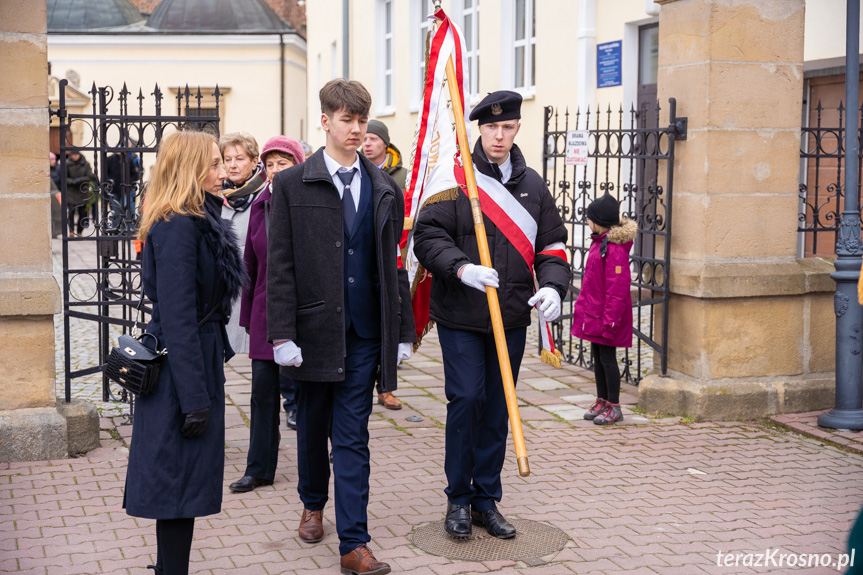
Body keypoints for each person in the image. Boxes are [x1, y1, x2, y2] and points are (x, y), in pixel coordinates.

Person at [267, 78, 415, 575]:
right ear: (325, 121)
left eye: (360, 120)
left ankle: (354, 542)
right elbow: (280, 266)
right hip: (311, 333)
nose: (354, 129)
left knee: (352, 437)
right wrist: (281, 334)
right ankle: (312, 502)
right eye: (345, 120)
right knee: (311, 429)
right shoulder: (291, 185)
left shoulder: (384, 187)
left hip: (366, 334)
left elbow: (393, 264)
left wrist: (404, 329)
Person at [413, 90, 570, 540]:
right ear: (478, 130)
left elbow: (552, 246)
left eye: (508, 128)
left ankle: (486, 499)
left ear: (517, 129)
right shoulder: (454, 178)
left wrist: (556, 288)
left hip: (512, 315)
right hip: (462, 314)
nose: (499, 136)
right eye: (491, 128)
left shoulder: (533, 184)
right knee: (466, 400)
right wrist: (460, 267)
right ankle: (457, 499)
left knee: (497, 409)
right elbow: (427, 236)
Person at [124, 130, 244, 575]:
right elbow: (177, 316)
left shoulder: (198, 217)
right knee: (176, 483)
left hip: (195, 359)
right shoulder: (178, 225)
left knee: (185, 482)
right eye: (213, 164)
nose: (223, 170)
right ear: (190, 169)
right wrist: (195, 398)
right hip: (181, 370)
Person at [230, 136, 306, 494]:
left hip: (304, 314)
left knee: (309, 394)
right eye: (270, 164)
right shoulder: (261, 204)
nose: (275, 171)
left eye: (283, 163)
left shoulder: (310, 204)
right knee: (262, 394)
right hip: (264, 313)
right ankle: (259, 467)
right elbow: (250, 265)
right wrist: (248, 317)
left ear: (299, 166)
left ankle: (316, 463)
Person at [571, 193, 636, 425]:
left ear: (597, 221)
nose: (587, 221)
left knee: (607, 358)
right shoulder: (600, 243)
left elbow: (617, 289)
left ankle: (615, 406)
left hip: (608, 317)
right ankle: (602, 400)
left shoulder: (614, 248)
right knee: (597, 357)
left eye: (589, 218)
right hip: (595, 314)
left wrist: (610, 320)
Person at [362, 119, 408, 411]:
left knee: (392, 317)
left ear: (385, 143)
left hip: (395, 250)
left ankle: (386, 387)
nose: (367, 143)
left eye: (373, 139)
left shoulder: (401, 175)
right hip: (364, 253)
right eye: (364, 138)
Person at [220, 132, 267, 355]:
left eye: (239, 159)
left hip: (254, 285)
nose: (232, 165)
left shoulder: (266, 196)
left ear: (254, 160)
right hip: (224, 289)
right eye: (227, 159)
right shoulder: (219, 195)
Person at [65, 150, 98, 236]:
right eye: (73, 154)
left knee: (82, 213)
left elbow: (89, 176)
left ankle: (80, 231)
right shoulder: (67, 164)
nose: (74, 156)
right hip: (71, 192)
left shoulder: (85, 164)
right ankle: (71, 231)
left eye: (76, 154)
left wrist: (80, 180)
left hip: (82, 191)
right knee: (71, 212)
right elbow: (64, 176)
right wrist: (72, 181)